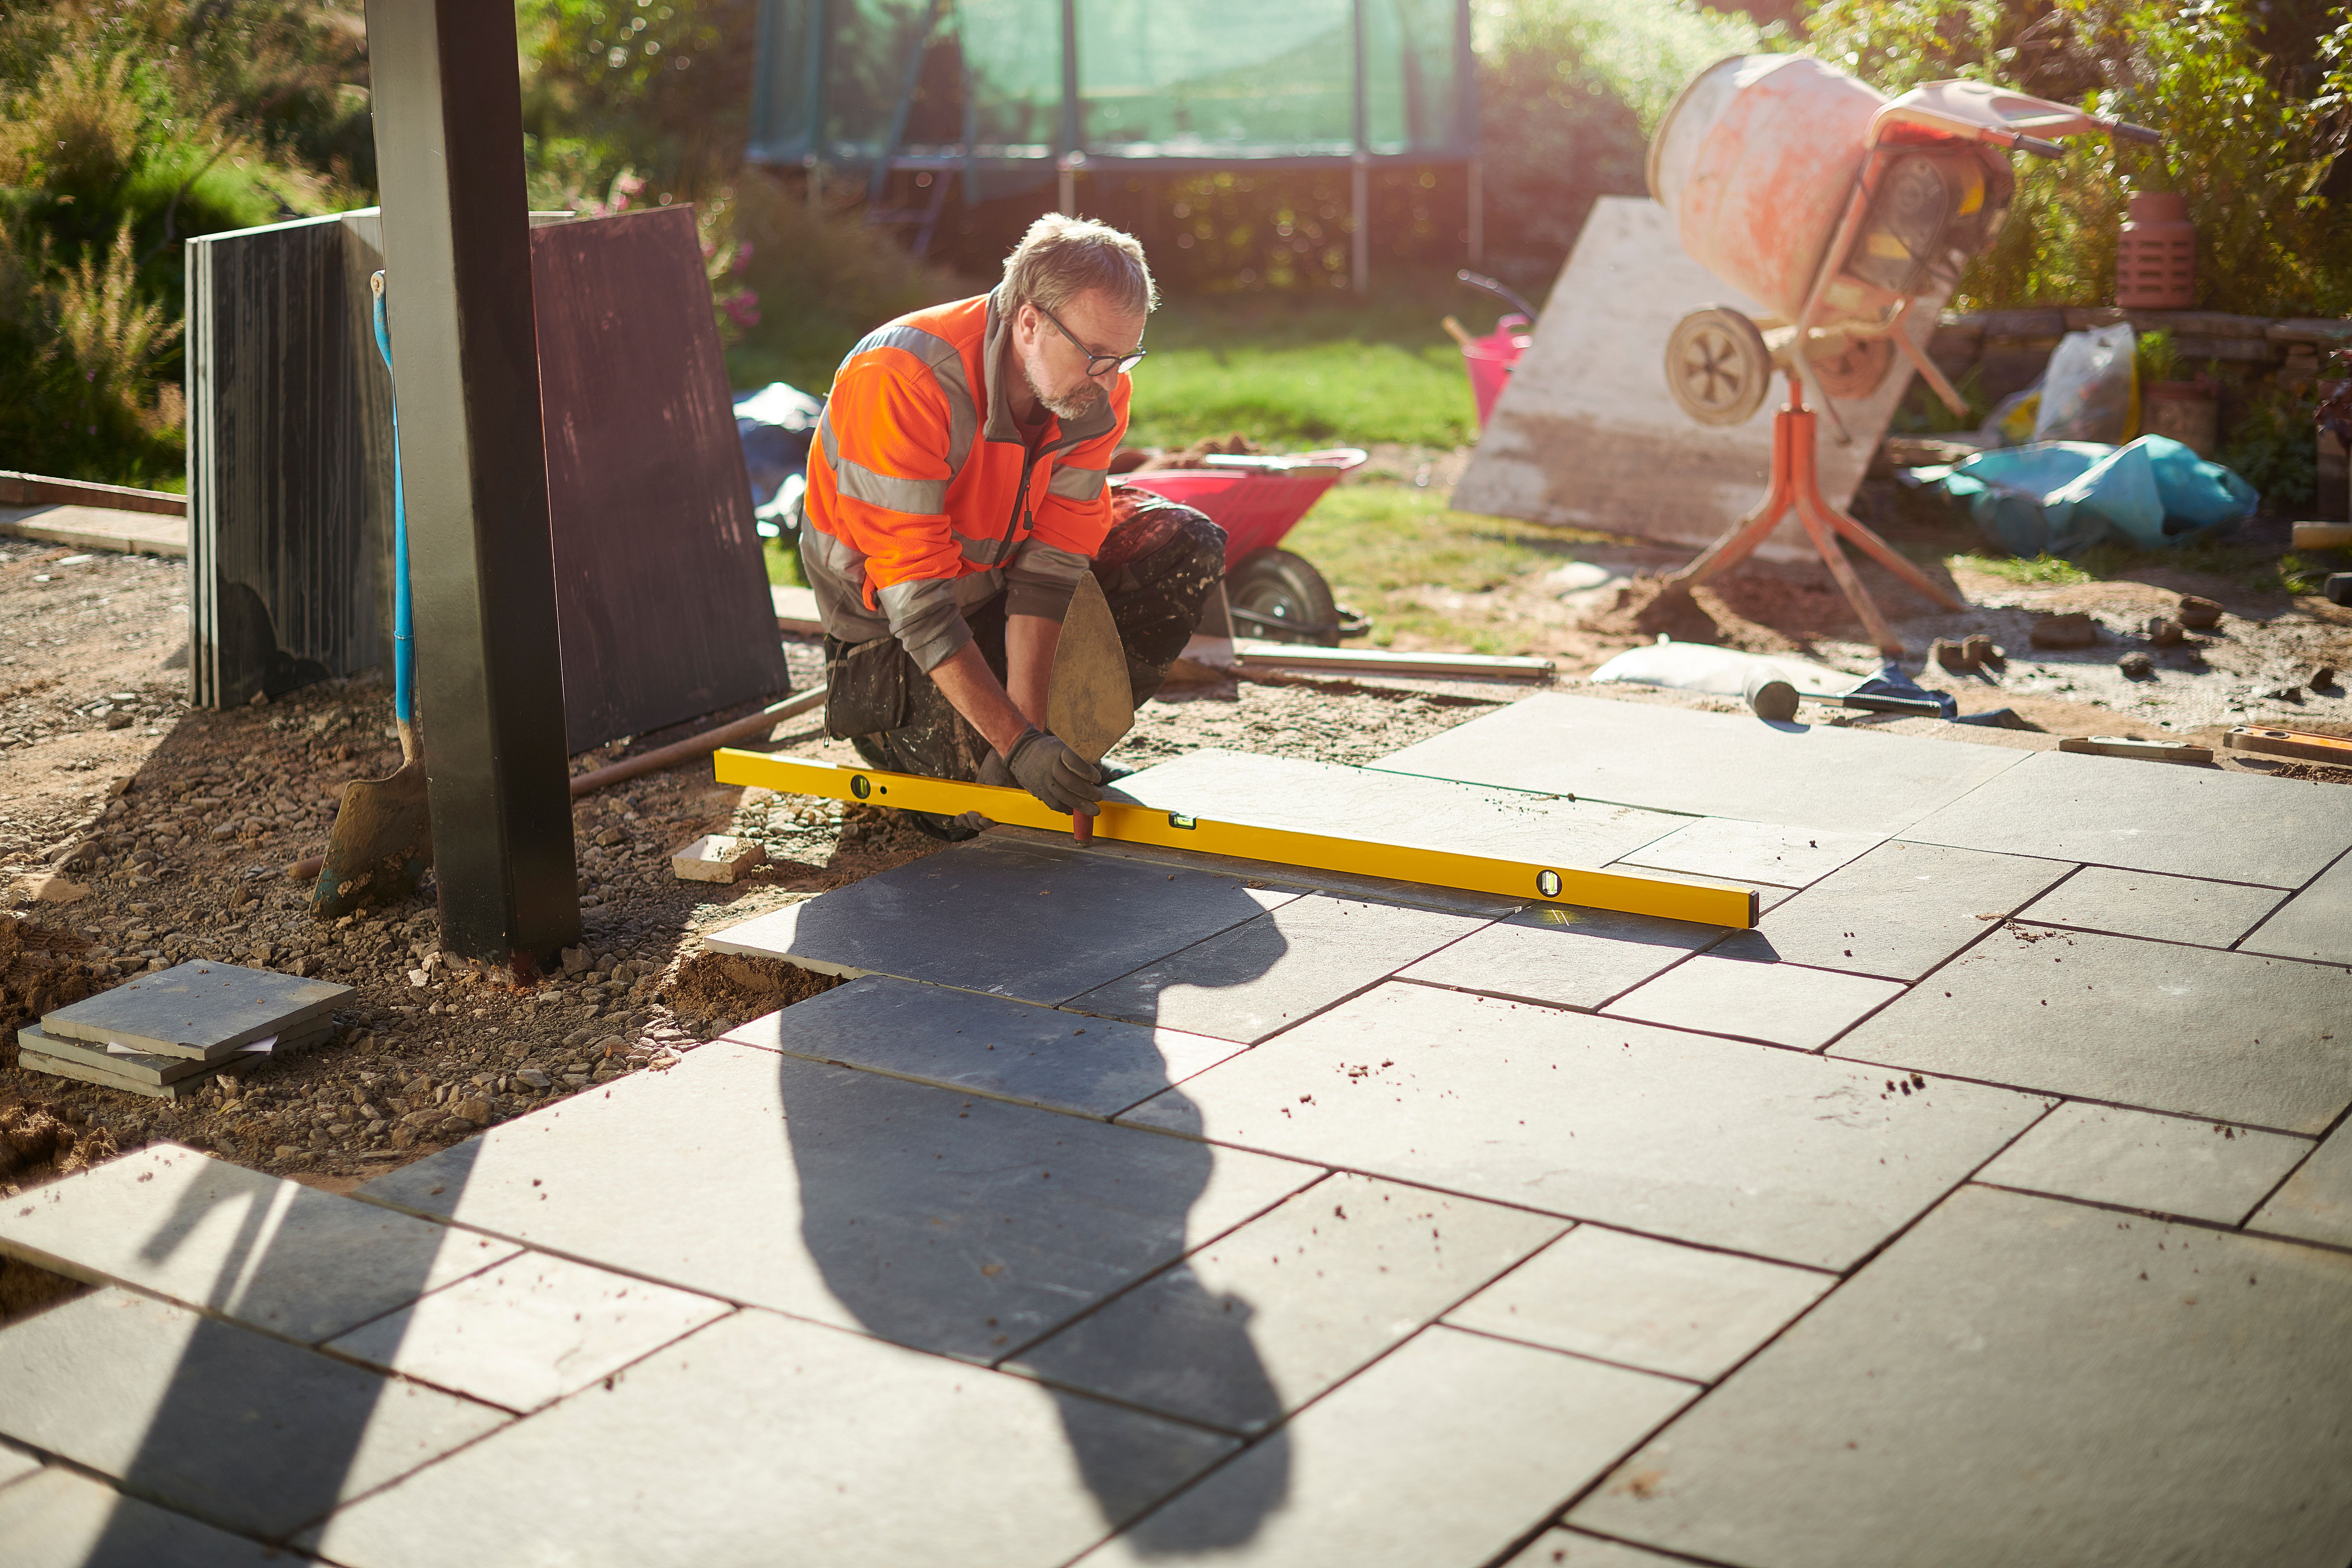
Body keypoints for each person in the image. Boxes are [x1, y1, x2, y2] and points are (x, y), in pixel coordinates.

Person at [802, 213, 1225, 836]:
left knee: (1183, 544)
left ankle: (1064, 745)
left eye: (1125, 357)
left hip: (994, 595)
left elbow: (1053, 567)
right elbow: (917, 604)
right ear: (1029, 322)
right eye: (1095, 357)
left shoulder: (1092, 388)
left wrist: (1030, 731)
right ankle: (950, 752)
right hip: (894, 640)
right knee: (972, 815)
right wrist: (1017, 746)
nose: (1109, 379)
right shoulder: (901, 380)